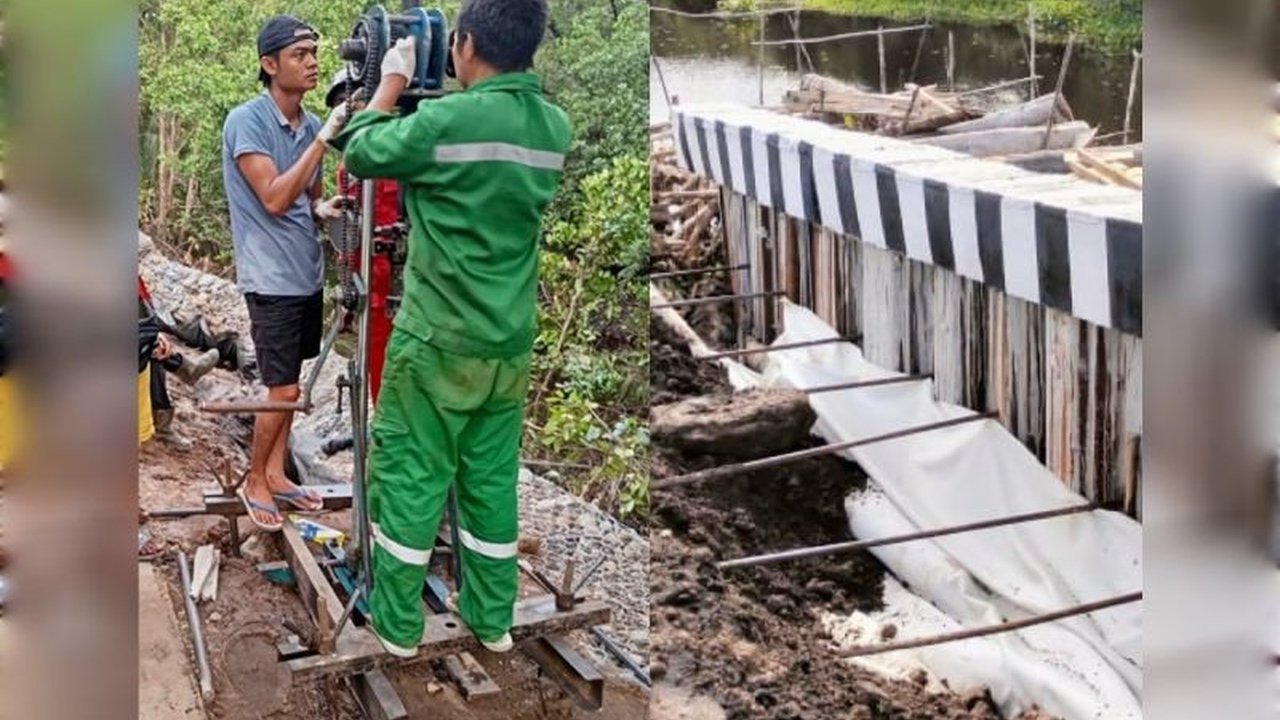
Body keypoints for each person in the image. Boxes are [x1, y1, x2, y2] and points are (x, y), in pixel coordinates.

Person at [329, 0, 572, 657]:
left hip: (437, 340)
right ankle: (492, 619)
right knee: (490, 482)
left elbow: (359, 150)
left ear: (462, 44)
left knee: (412, 474)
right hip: (508, 344)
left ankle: (400, 628)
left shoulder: (446, 121)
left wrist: (389, 83)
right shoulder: (554, 127)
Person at [221, 14, 349, 530]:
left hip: (305, 272)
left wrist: (324, 211)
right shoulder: (247, 121)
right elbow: (274, 197)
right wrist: (322, 144)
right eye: (300, 54)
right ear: (269, 64)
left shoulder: (312, 125)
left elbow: (306, 199)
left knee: (291, 383)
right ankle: (254, 480)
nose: (313, 62)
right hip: (270, 277)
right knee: (279, 388)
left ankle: (276, 473)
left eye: (315, 52)